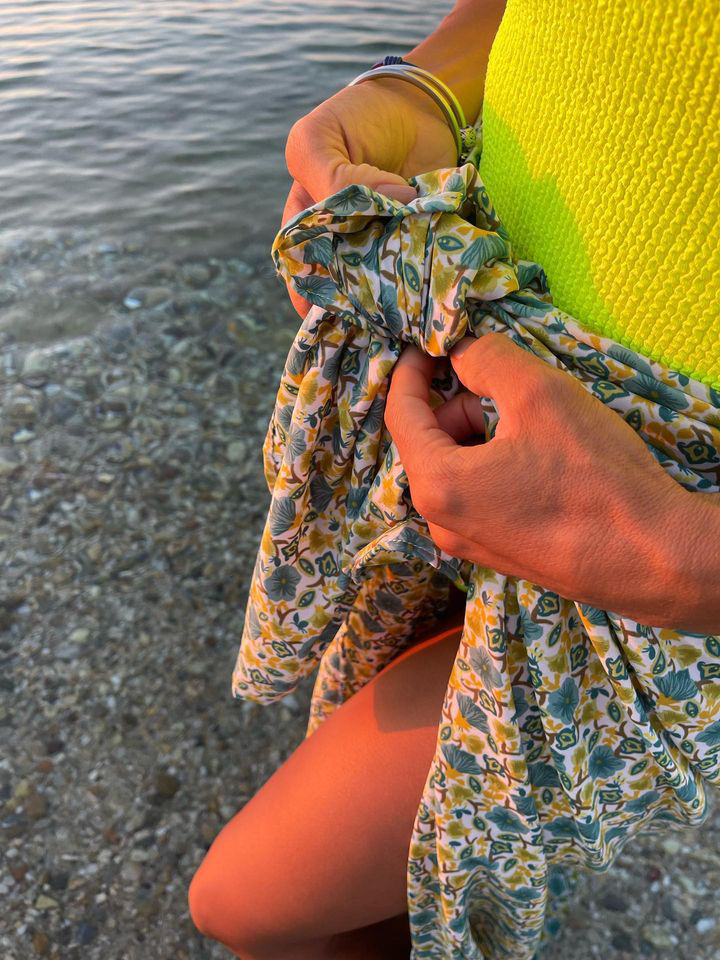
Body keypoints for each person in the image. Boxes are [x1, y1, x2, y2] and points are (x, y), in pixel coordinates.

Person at [188, 1, 720, 957]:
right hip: (467, 302)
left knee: (247, 899)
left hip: (662, 514)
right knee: (368, 751)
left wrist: (684, 555)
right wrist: (421, 88)